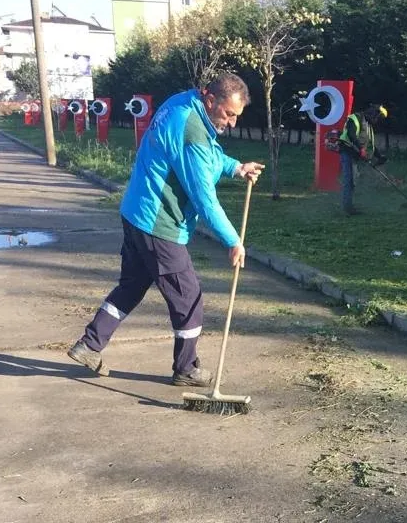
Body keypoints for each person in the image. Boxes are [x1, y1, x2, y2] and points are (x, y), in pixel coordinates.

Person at [67, 73, 265, 387]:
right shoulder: (192, 131)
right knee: (188, 298)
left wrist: (236, 167)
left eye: (236, 116)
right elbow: (204, 198)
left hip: (135, 213)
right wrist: (233, 240)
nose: (231, 122)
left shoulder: (183, 102)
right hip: (159, 225)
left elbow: (206, 155)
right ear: (210, 98)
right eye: (228, 114)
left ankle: (89, 345)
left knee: (131, 285)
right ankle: (186, 369)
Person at [337, 104, 388, 215]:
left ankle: (350, 204)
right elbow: (351, 135)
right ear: (373, 113)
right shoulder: (355, 118)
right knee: (349, 180)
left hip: (355, 154)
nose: (377, 120)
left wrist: (379, 157)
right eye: (378, 118)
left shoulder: (368, 125)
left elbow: (370, 144)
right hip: (347, 152)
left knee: (354, 180)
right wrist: (361, 149)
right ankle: (348, 208)